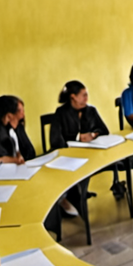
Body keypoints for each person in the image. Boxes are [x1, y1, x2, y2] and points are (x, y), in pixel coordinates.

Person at [50, 80, 110, 216]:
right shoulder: (60, 113)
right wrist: (78, 137)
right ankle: (69, 200)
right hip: (69, 156)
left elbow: (104, 130)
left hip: (90, 154)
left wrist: (93, 134)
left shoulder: (90, 110)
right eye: (83, 95)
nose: (86, 98)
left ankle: (78, 197)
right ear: (73, 97)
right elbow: (55, 140)